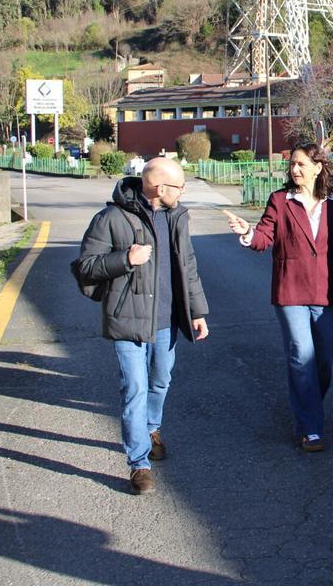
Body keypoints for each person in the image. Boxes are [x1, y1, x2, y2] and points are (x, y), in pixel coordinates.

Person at [75, 156, 209, 495]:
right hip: (128, 321)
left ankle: (152, 428)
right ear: (159, 188)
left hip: (167, 321)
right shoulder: (110, 218)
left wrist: (197, 310)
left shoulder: (177, 216)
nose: (183, 191)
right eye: (180, 186)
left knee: (161, 381)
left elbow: (187, 265)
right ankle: (139, 464)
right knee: (134, 389)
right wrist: (125, 259)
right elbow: (85, 267)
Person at [226, 142, 333, 452]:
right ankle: (310, 427)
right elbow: (265, 236)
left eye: (301, 164)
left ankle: (309, 407)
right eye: (292, 164)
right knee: (300, 355)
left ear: (318, 168)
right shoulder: (280, 200)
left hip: (326, 291)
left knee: (324, 361)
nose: (294, 169)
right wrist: (248, 233)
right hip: (290, 291)